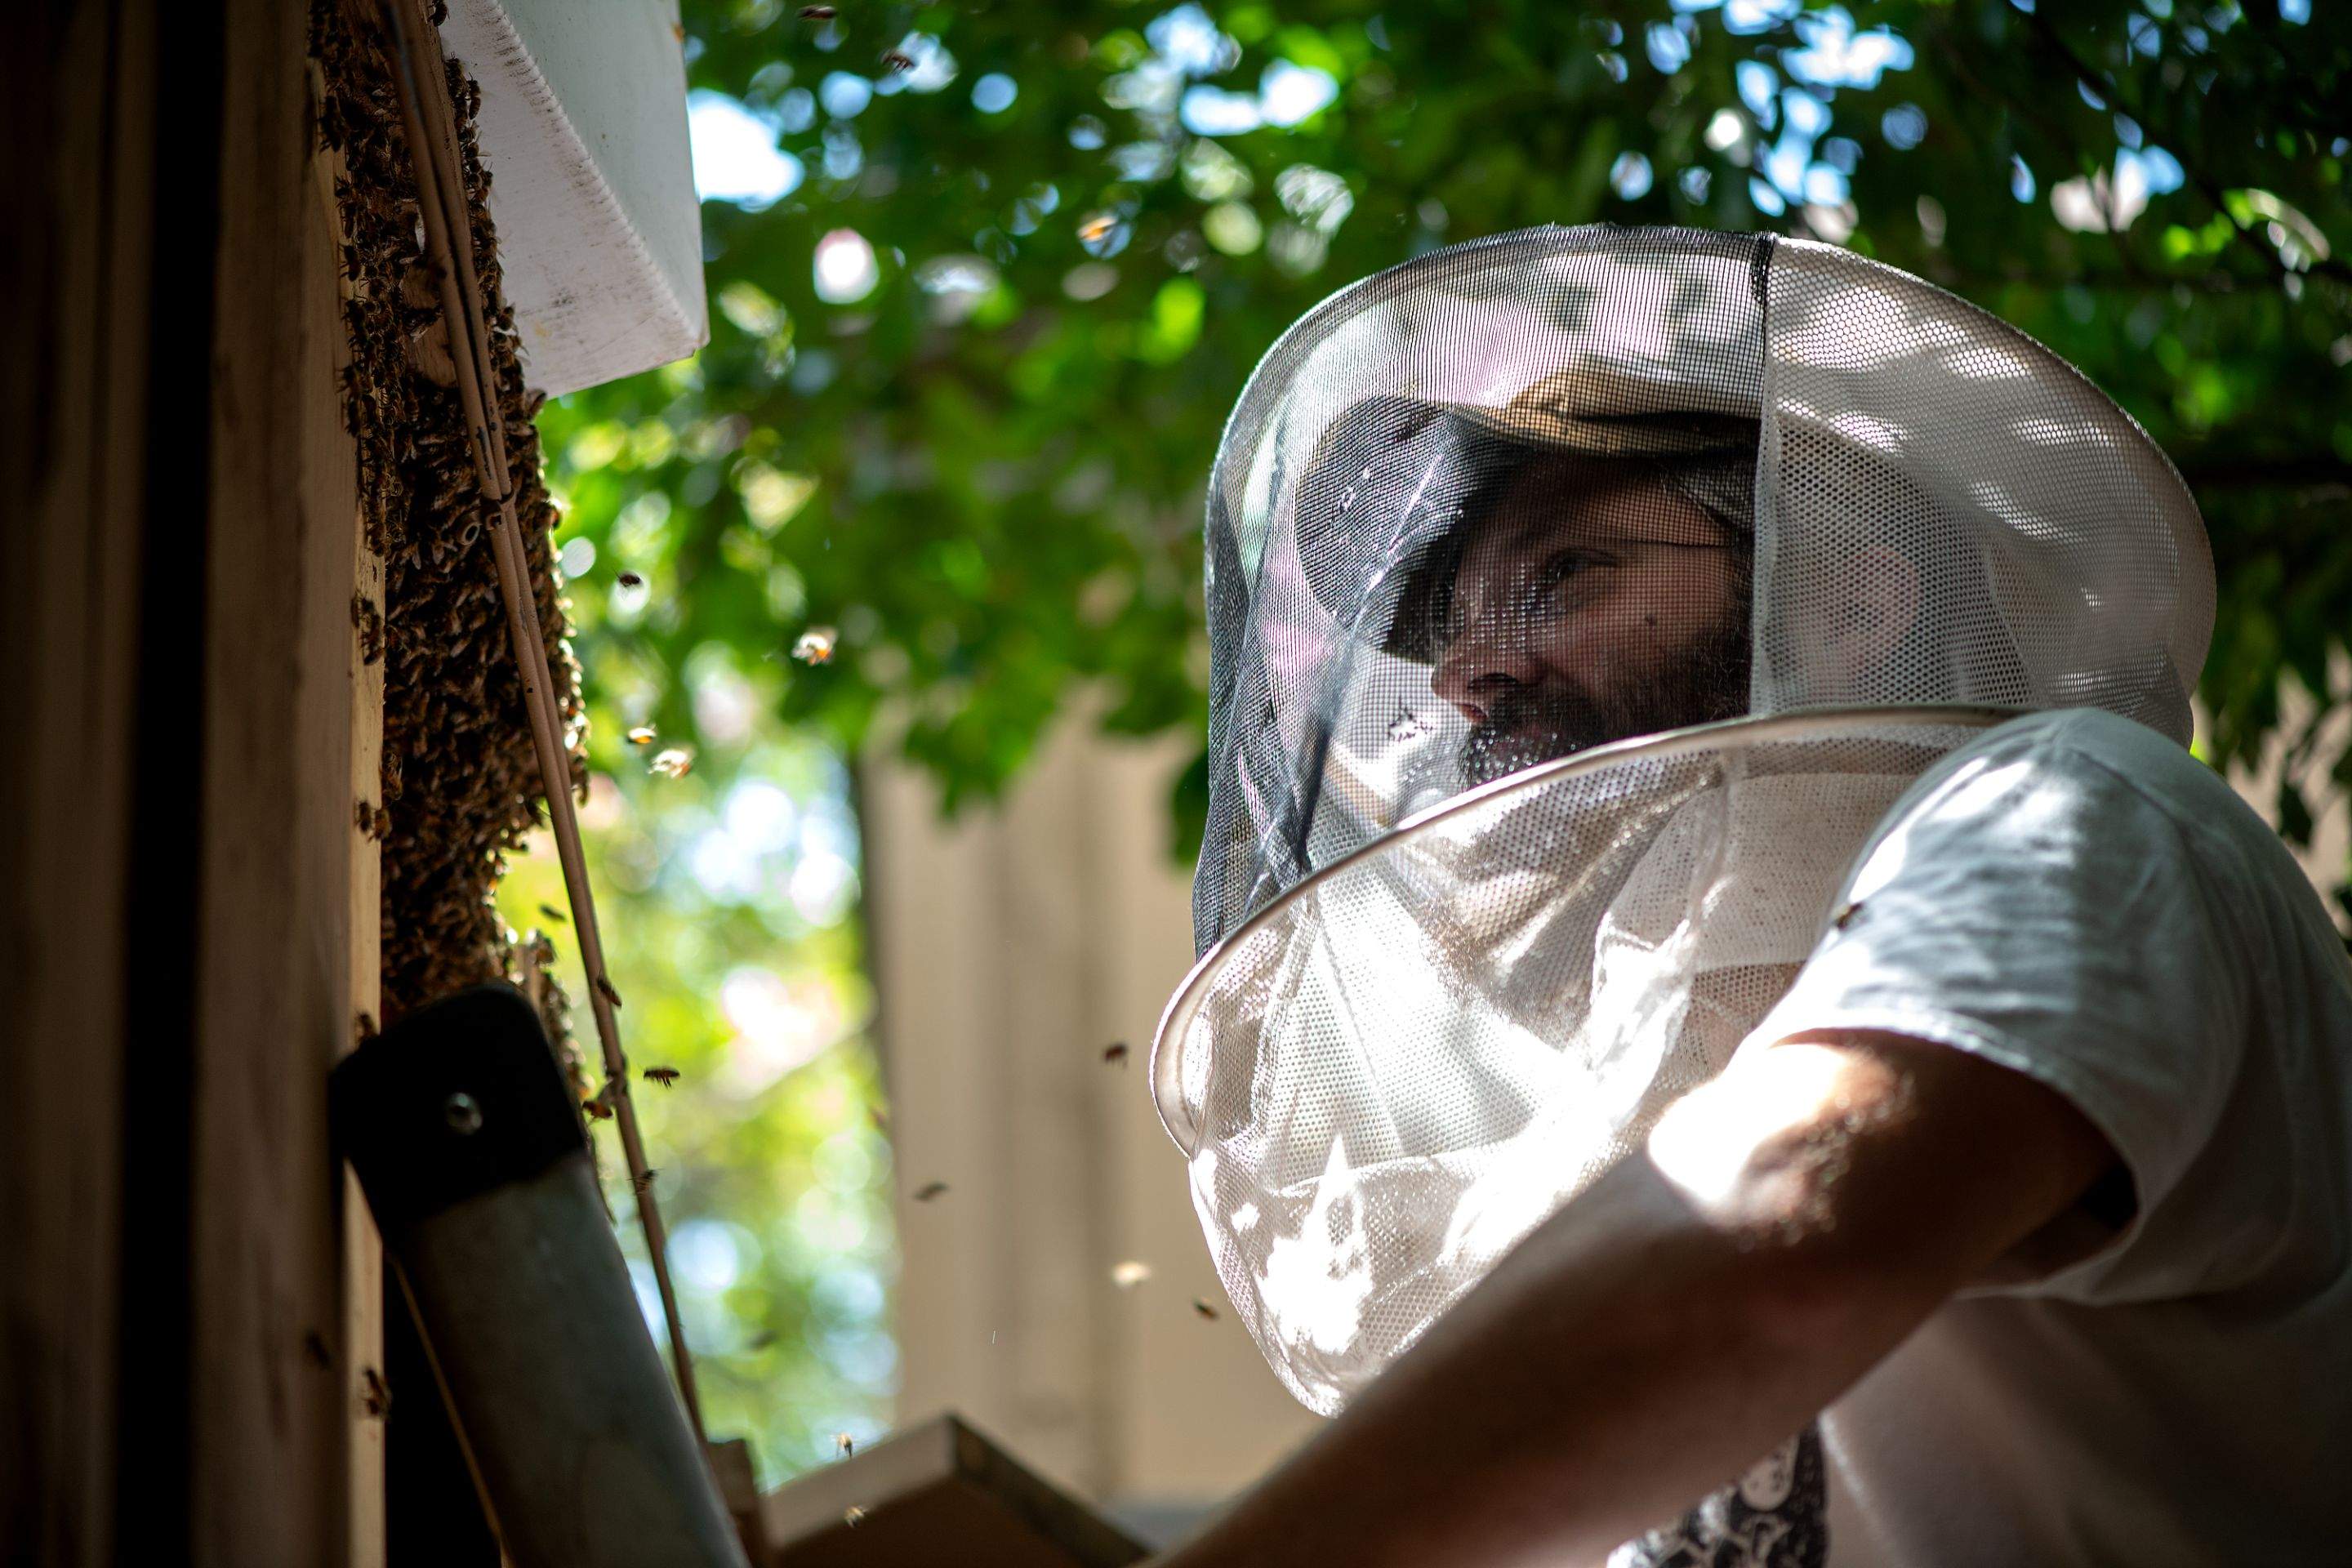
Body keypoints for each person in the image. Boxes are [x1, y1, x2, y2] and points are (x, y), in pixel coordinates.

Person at [1150, 226, 2352, 1566]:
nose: (1465, 678)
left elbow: (1780, 1229)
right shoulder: (1629, 1107)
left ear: (1845, 602)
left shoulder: (2067, 810)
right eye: (1451, 635)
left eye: (1563, 577)